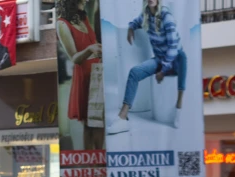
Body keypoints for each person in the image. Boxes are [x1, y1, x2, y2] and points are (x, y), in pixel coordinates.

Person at [107, 0, 187, 135]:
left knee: (183, 62)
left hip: (175, 59)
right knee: (134, 72)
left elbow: (173, 47)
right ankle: (122, 118)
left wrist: (164, 69)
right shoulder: (146, 14)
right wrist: (131, 28)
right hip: (159, 59)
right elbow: (136, 21)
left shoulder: (166, 16)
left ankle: (179, 108)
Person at [57, 0, 103, 150]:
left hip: (97, 71)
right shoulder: (62, 24)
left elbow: (94, 42)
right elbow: (74, 58)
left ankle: (98, 160)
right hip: (84, 74)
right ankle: (92, 161)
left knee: (98, 122)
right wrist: (90, 49)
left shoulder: (84, 17)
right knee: (90, 123)